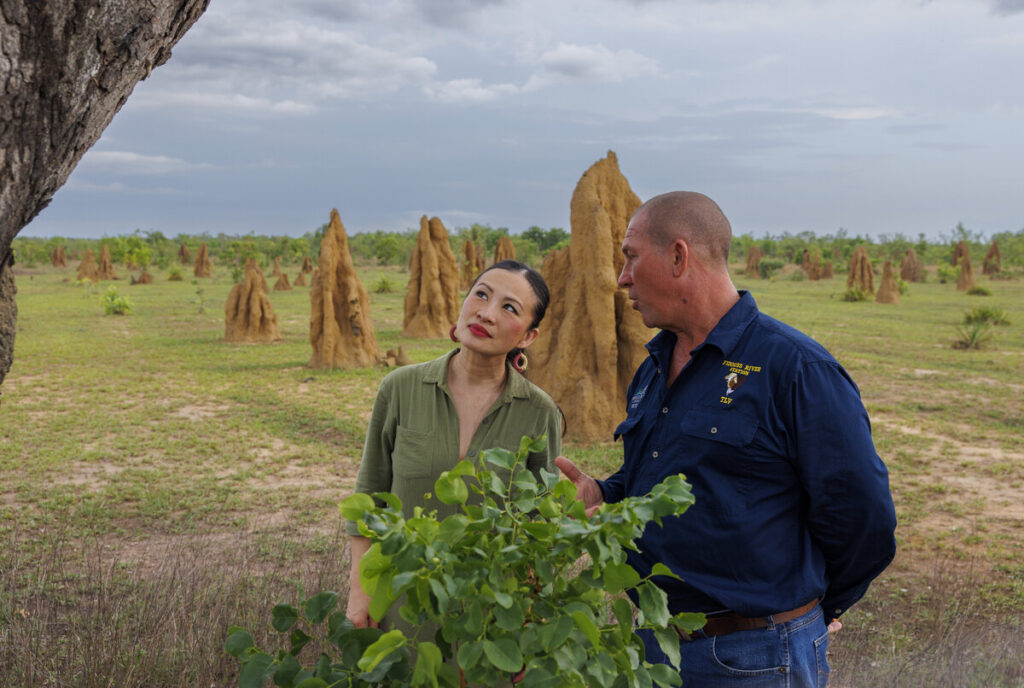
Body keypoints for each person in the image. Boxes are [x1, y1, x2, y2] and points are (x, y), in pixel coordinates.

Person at [556, 192, 897, 687]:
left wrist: (815, 607)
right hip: (657, 645)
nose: (622, 277)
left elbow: (863, 514)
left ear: (678, 256)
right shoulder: (654, 368)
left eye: (631, 256)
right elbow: (656, 480)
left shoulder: (795, 368)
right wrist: (602, 494)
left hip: (757, 657)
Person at [346, 260, 562, 629]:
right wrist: (359, 591)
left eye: (509, 308)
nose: (486, 313)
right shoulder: (400, 388)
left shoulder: (539, 412)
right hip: (403, 606)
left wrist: (530, 618)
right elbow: (369, 496)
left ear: (527, 337)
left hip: (492, 618)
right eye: (482, 295)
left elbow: (540, 527)